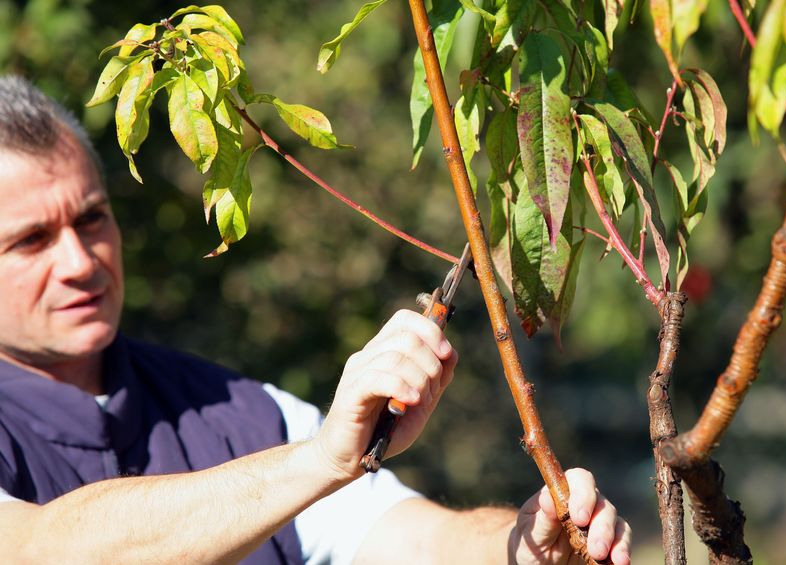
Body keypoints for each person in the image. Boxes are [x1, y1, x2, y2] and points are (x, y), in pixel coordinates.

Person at [0, 75, 631, 564]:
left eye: (91, 219)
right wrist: (322, 460)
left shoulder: (244, 415)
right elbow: (38, 550)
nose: (80, 262)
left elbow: (413, 541)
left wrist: (522, 546)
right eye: (29, 241)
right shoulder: (297, 455)